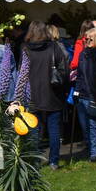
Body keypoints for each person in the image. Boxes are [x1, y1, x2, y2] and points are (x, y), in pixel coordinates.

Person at [22, 20, 71, 169]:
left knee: (34, 130)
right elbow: (64, 71)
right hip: (52, 93)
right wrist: (64, 89)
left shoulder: (25, 49)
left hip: (32, 95)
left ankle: (35, 160)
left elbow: (21, 71)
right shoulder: (54, 47)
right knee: (54, 129)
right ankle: (54, 161)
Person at [74, 27, 96, 161]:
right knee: (91, 124)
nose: (86, 41)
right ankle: (94, 152)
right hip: (84, 93)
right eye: (85, 39)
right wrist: (77, 90)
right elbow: (80, 75)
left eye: (89, 39)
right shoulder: (84, 54)